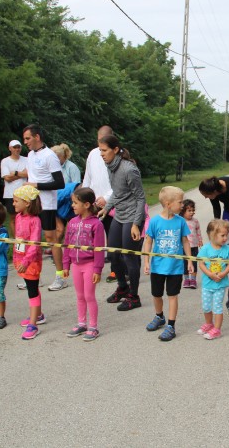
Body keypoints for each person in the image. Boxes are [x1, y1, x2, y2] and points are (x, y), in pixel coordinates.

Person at [98, 135, 147, 311]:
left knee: (129, 257)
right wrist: (107, 207)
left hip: (133, 216)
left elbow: (141, 198)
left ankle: (134, 296)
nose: (101, 154)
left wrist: (136, 224)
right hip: (119, 215)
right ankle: (123, 287)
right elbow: (117, 193)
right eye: (100, 150)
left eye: (104, 150)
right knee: (112, 254)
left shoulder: (129, 169)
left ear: (116, 149)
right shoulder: (110, 166)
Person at [142, 186, 194, 342]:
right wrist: (146, 261)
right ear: (168, 203)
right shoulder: (155, 221)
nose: (182, 205)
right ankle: (159, 317)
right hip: (158, 266)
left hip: (175, 267)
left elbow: (185, 241)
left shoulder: (181, 222)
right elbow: (148, 242)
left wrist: (189, 260)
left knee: (172, 295)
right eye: (180, 202)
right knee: (156, 294)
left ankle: (171, 326)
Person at [22, 124, 66, 291]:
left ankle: (60, 276)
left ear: (37, 137)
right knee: (32, 239)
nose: (25, 142)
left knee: (50, 238)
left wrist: (36, 185)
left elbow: (60, 183)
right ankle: (34, 275)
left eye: (28, 138)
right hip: (31, 203)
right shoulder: (30, 155)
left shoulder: (50, 156)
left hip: (47, 203)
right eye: (24, 139)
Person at [63, 187, 106, 341]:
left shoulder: (96, 224)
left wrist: (97, 270)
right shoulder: (72, 222)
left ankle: (93, 327)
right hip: (75, 265)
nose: (72, 205)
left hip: (89, 265)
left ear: (86, 204)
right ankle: (81, 323)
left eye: (75, 203)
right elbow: (67, 244)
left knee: (89, 296)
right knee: (80, 296)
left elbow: (99, 249)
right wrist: (66, 264)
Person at [82, 125, 119, 284]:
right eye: (98, 140)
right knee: (93, 237)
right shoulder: (92, 154)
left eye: (103, 140)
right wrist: (84, 195)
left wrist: (107, 198)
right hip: (94, 203)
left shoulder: (118, 156)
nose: (100, 145)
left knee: (113, 237)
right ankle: (92, 268)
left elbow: (120, 183)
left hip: (112, 204)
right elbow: (88, 177)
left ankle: (116, 270)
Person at [13, 185, 46, 340]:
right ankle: (38, 314)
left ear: (27, 203)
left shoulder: (35, 221)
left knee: (32, 290)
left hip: (31, 261)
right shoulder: (18, 217)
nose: (13, 204)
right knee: (30, 287)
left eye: (16, 201)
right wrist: (17, 258)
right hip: (21, 259)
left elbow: (34, 244)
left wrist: (26, 261)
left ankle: (33, 325)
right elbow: (18, 239)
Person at [196, 219, 229, 340]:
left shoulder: (227, 249)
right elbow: (201, 264)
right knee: (206, 306)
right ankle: (209, 324)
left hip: (220, 285)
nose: (225, 238)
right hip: (207, 284)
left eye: (226, 235)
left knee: (217, 307)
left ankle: (217, 329)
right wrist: (210, 274)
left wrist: (223, 274)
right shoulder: (205, 249)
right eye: (222, 235)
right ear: (213, 235)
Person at [0, 139, 28, 238]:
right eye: (15, 147)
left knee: (26, 216)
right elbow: (7, 178)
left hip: (24, 193)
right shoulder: (5, 161)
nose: (17, 149)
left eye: (18, 147)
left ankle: (25, 237)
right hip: (10, 193)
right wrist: (21, 173)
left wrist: (15, 173)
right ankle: (17, 240)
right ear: (10, 148)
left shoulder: (26, 159)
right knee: (13, 218)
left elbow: (28, 173)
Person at [182, 199, 203, 289]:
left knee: (194, 263)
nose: (192, 212)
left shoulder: (195, 221)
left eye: (193, 210)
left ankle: (193, 280)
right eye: (189, 210)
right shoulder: (181, 221)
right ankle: (186, 279)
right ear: (183, 211)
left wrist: (200, 240)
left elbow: (198, 231)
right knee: (185, 263)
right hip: (183, 247)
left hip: (194, 246)